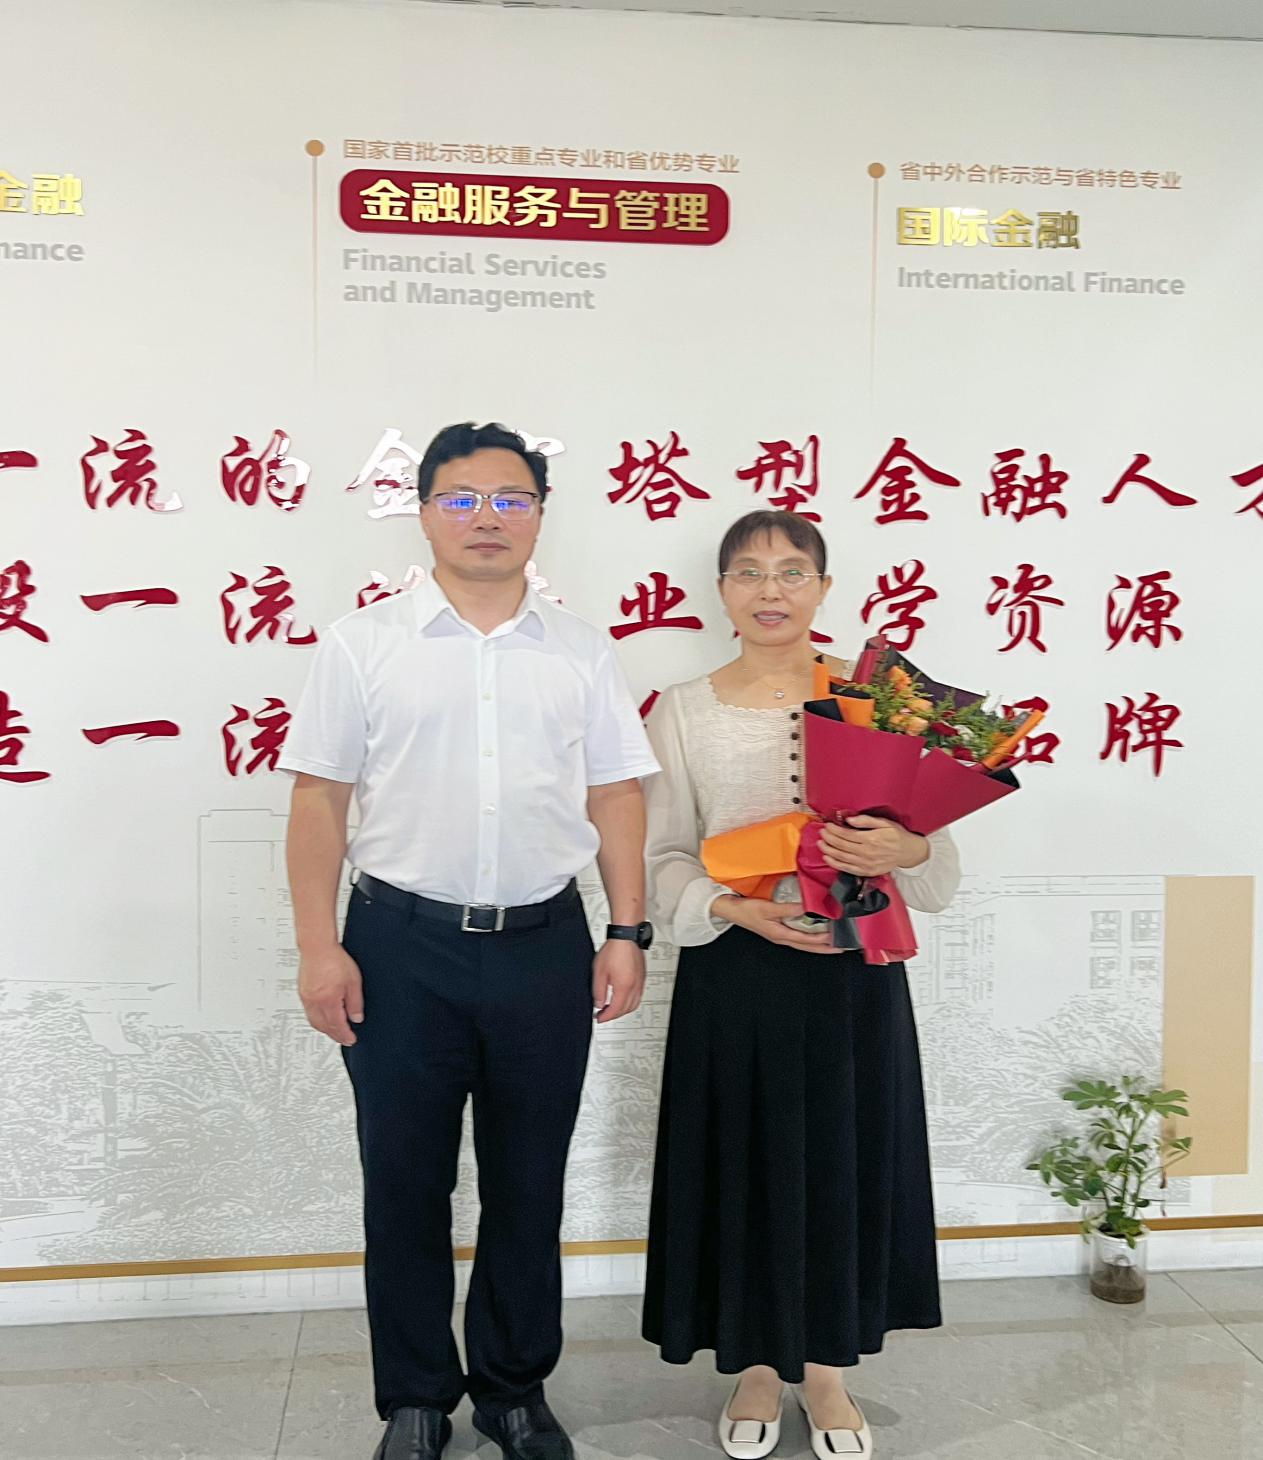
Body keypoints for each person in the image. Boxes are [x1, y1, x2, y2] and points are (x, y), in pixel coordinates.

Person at [280, 423, 659, 1460]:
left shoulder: (580, 650)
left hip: (544, 945)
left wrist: (626, 928)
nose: (486, 517)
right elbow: (319, 802)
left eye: (509, 498)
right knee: (404, 1181)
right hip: (398, 945)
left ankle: (513, 1388)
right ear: (423, 513)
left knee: (528, 1182)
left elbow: (616, 794)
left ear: (539, 513)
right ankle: (413, 1396)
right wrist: (318, 947)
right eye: (461, 498)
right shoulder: (363, 643)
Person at [640, 510, 961, 1460]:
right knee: (744, 1166)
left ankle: (825, 1371)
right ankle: (751, 1365)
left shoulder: (878, 703)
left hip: (854, 972)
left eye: (791, 572)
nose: (769, 590)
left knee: (839, 1167)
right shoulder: (681, 710)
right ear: (721, 592)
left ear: (823, 589)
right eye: (747, 572)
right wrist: (735, 909)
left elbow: (938, 870)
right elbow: (659, 858)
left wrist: (904, 847)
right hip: (734, 974)